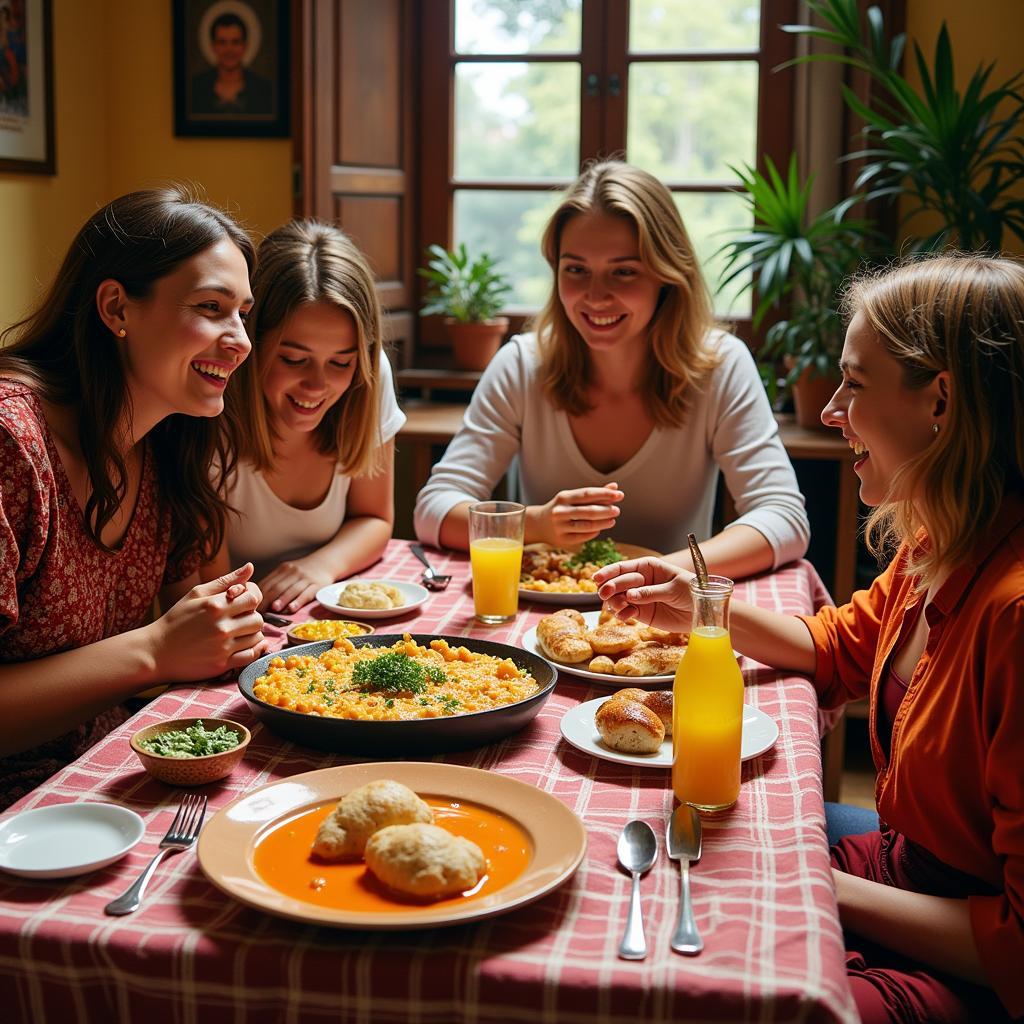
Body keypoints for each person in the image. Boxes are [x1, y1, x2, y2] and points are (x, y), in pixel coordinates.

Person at [593, 253, 1024, 1022]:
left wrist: (811, 882)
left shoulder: (1013, 616)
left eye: (854, 384)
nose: (830, 411)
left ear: (942, 402)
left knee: (727, 993)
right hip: (905, 871)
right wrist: (700, 607)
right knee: (673, 880)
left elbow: (1019, 945)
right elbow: (840, 646)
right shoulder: (946, 538)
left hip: (972, 963)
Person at [0, 185, 267, 810]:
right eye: (211, 307)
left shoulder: (166, 441)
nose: (241, 341)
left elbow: (187, 620)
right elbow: (160, 648)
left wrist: (224, 626)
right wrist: (154, 649)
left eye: (244, 314)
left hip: (109, 771)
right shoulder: (11, 445)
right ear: (117, 307)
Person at [413, 160, 809, 578]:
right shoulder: (521, 364)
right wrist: (536, 523)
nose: (595, 296)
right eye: (576, 270)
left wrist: (660, 571)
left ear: (667, 275)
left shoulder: (722, 365)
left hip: (666, 612)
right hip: (544, 611)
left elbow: (783, 518)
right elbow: (434, 509)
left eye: (624, 272)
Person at [202, 219, 405, 613]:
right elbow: (211, 590)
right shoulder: (212, 408)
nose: (317, 385)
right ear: (251, 343)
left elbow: (375, 518)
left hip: (324, 611)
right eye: (294, 359)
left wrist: (320, 566)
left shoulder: (369, 375)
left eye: (340, 362)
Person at [191, 10, 272, 117]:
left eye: (235, 42)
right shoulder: (195, 89)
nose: (229, 50)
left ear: (245, 46)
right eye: (222, 42)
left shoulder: (264, 90)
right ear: (213, 46)